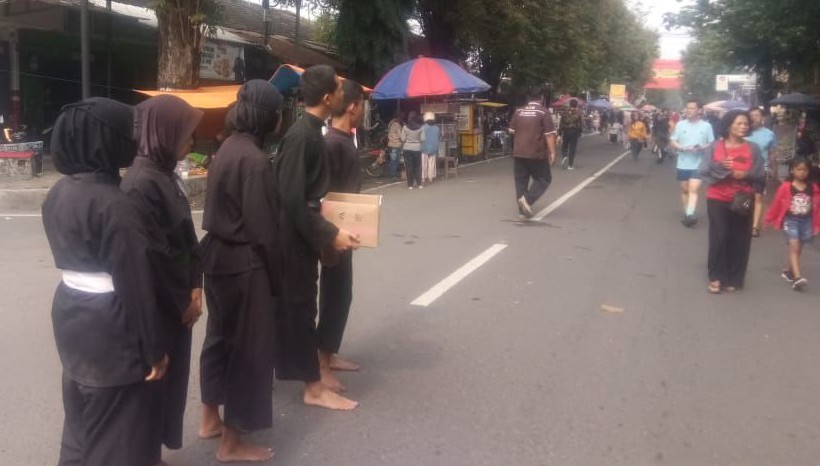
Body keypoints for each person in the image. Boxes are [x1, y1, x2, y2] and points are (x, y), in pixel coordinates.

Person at [42, 97, 168, 466]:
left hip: (71, 314)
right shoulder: (116, 204)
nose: (134, 141)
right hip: (112, 329)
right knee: (114, 437)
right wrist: (154, 352)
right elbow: (137, 287)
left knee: (80, 425)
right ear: (106, 140)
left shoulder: (58, 193)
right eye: (128, 133)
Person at [197, 80, 284, 462]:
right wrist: (279, 279)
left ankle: (209, 419)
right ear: (269, 117)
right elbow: (264, 232)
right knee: (249, 350)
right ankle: (231, 443)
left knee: (219, 339)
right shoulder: (255, 160)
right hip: (244, 264)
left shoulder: (226, 149)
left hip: (216, 259)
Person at [120, 95, 204, 466]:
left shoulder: (164, 173)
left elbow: (185, 238)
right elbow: (153, 256)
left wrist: (197, 283)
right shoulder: (141, 184)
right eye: (186, 132)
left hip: (180, 298)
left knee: (168, 385)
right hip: (162, 305)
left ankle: (152, 455)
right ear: (163, 132)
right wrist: (182, 298)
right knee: (154, 384)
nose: (192, 141)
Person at [274, 64, 360, 411]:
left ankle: (312, 375)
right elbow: (293, 199)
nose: (344, 91)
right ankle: (312, 385)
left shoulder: (313, 131)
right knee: (301, 309)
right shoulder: (300, 136)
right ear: (328, 98)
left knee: (304, 306)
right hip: (294, 240)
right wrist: (331, 233)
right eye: (340, 87)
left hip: (305, 238)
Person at [318, 79, 365, 393]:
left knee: (341, 293)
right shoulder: (333, 143)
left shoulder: (345, 139)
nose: (362, 111)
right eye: (361, 105)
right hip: (333, 233)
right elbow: (325, 194)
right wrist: (330, 238)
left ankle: (328, 354)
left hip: (343, 229)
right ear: (352, 106)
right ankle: (320, 365)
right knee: (335, 295)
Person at [698, 110, 766, 294]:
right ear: (728, 126)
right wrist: (722, 168)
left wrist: (746, 174)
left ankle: (734, 277)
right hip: (717, 198)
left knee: (739, 238)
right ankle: (717, 277)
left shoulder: (753, 148)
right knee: (720, 236)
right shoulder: (714, 147)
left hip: (742, 199)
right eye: (739, 123)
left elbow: (761, 174)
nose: (743, 126)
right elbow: (703, 171)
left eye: (746, 124)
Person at [765, 158, 820, 290]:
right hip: (791, 220)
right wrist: (769, 219)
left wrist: (817, 224)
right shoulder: (786, 187)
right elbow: (777, 203)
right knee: (794, 246)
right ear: (792, 170)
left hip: (806, 221)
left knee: (799, 247)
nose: (802, 172)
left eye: (805, 170)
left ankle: (789, 270)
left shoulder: (813, 187)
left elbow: (817, 207)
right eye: (799, 169)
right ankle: (797, 277)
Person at [508, 89, 557, 218]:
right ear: (541, 97)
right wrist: (552, 152)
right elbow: (549, 135)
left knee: (521, 181)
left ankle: (522, 211)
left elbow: (512, 131)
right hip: (537, 152)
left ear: (528, 98)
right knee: (544, 178)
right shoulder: (543, 112)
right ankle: (527, 200)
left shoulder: (518, 111)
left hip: (519, 152)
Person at [671, 100, 715, 227]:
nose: (689, 110)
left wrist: (702, 147)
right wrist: (682, 148)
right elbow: (673, 140)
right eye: (688, 108)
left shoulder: (706, 126)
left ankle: (690, 214)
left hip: (699, 163)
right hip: (683, 162)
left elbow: (711, 143)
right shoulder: (680, 125)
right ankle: (687, 212)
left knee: (693, 189)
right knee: (685, 189)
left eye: (692, 108)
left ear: (699, 110)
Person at [746, 108, 778, 237]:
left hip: (761, 169)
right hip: (743, 169)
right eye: (751, 115)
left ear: (762, 117)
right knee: (744, 196)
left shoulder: (769, 134)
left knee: (758, 197)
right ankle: (744, 221)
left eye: (757, 115)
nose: (754, 117)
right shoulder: (743, 131)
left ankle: (755, 227)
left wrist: (773, 168)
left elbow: (773, 152)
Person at [558, 99, 583, 170]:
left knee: (564, 145)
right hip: (574, 132)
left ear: (570, 104)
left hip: (566, 131)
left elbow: (561, 123)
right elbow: (580, 124)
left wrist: (560, 133)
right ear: (576, 105)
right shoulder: (579, 113)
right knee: (572, 148)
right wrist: (579, 132)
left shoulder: (565, 112)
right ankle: (570, 165)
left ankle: (565, 156)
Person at [401, 111, 424, 189]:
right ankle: (419, 184)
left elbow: (402, 138)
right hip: (417, 148)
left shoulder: (405, 127)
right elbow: (423, 139)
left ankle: (410, 185)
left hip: (407, 148)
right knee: (418, 166)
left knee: (409, 167)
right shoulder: (421, 128)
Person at [421, 112, 441, 183]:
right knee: (431, 163)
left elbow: (420, 138)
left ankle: (423, 177)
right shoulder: (437, 128)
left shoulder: (423, 128)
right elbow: (439, 138)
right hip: (433, 148)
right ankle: (430, 177)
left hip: (424, 148)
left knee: (423, 163)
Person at [386, 111, 404, 180]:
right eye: (402, 118)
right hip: (395, 145)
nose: (402, 119)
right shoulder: (397, 125)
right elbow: (401, 136)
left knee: (393, 160)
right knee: (394, 160)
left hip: (392, 144)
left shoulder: (392, 124)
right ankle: (393, 175)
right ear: (399, 118)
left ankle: (393, 174)